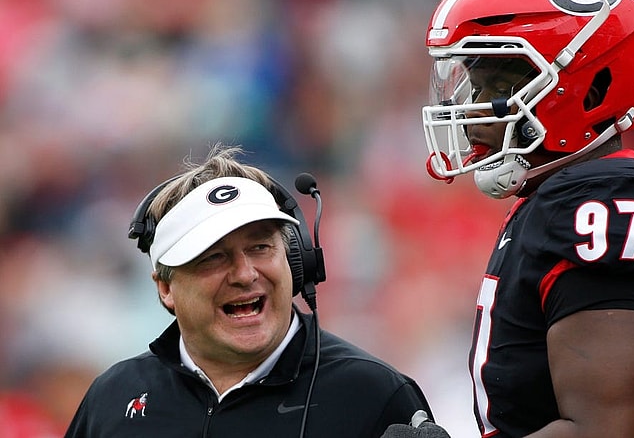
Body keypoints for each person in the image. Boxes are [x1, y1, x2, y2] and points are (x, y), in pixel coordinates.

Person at [383, 0, 634, 437]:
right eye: (474, 85)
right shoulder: (565, 198)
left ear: (593, 86)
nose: (473, 114)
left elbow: (604, 431)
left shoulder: (598, 202)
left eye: (501, 86)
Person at [65, 144, 435, 437]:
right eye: (213, 257)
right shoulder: (114, 397)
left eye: (260, 247)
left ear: (294, 259)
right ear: (165, 288)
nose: (245, 273)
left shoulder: (372, 394)